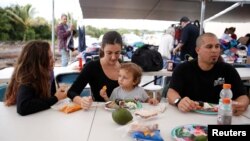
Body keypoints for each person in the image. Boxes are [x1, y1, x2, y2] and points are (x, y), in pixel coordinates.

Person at [167, 33, 249, 116]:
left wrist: (240, 105)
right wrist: (178, 101)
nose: (214, 50)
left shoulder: (228, 70)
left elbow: (243, 96)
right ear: (198, 50)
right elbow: (171, 92)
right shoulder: (183, 68)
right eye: (209, 47)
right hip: (190, 115)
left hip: (219, 117)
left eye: (217, 46)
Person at [5, 41, 67, 116]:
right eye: (49, 58)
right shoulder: (27, 78)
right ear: (38, 62)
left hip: (42, 117)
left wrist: (58, 95)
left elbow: (50, 97)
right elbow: (23, 107)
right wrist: (56, 98)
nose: (53, 61)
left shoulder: (49, 72)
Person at [67, 31, 122, 110]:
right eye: (109, 53)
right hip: (98, 113)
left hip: (122, 113)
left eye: (117, 53)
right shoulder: (92, 67)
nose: (113, 57)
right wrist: (81, 101)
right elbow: (71, 92)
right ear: (102, 48)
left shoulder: (125, 67)